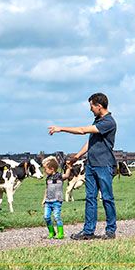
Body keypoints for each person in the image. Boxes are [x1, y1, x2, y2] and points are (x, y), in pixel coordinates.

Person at [48, 92, 117, 240]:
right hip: (91, 165)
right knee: (90, 198)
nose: (90, 109)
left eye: (91, 106)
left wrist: (61, 128)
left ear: (99, 106)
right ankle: (88, 231)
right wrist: (77, 157)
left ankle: (111, 230)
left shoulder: (109, 122)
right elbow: (90, 142)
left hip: (104, 165)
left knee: (107, 198)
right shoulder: (98, 121)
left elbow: (82, 131)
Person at [41, 155, 64, 240]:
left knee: (56, 216)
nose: (44, 171)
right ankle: (51, 232)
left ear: (52, 169)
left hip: (57, 201)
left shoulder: (59, 176)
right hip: (48, 201)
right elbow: (46, 189)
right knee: (46, 217)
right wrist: (44, 199)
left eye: (45, 169)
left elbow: (67, 175)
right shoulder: (48, 179)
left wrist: (69, 168)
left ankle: (60, 233)